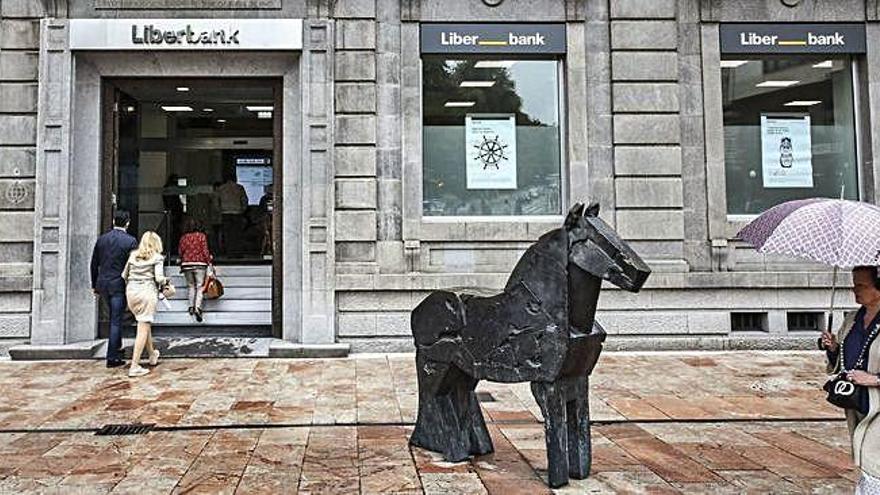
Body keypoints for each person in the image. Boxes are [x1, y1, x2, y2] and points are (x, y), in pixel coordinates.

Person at [822, 266, 880, 493]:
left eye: (861, 286)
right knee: (866, 457)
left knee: (873, 460)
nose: (855, 290)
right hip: (857, 402)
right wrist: (834, 347)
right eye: (854, 284)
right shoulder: (852, 318)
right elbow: (844, 359)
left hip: (877, 402)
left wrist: (874, 379)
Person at [90, 210, 138, 368]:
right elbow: (133, 266)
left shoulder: (102, 239)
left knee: (113, 318)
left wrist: (94, 284)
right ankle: (112, 357)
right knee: (116, 320)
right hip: (119, 284)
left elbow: (94, 263)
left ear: (113, 221)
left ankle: (117, 351)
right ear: (128, 223)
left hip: (103, 284)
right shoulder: (130, 241)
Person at [122, 231, 167, 378]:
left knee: (144, 323)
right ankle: (134, 365)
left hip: (131, 293)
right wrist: (167, 282)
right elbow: (159, 278)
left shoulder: (133, 255)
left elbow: (124, 275)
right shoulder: (157, 258)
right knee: (142, 328)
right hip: (147, 293)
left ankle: (152, 354)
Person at [178, 216, 213, 322]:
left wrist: (182, 259)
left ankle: (190, 306)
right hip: (200, 264)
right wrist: (209, 261)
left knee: (190, 285)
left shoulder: (183, 237)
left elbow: (180, 251)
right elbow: (205, 250)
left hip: (186, 264)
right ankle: (198, 307)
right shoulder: (201, 236)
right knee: (200, 286)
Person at [216, 175, 248, 256]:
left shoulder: (221, 188)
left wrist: (220, 210)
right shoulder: (239, 188)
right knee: (237, 234)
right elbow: (244, 200)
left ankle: (229, 252)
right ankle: (238, 252)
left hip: (225, 213)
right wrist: (242, 210)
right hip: (237, 213)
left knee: (228, 234)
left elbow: (216, 202)